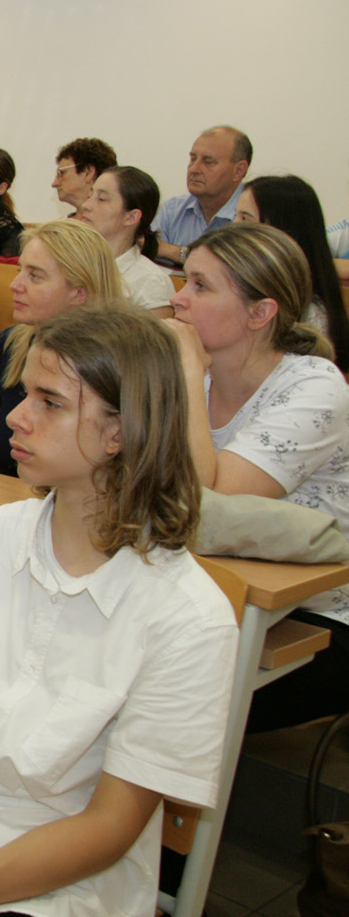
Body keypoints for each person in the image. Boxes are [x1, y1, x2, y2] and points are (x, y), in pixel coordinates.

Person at [0, 302, 238, 917]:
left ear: (121, 433)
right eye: (25, 394)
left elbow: (110, 826)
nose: (16, 415)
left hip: (60, 881)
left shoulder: (189, 617)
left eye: (50, 402)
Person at [166, 224, 349, 730]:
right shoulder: (196, 373)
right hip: (206, 590)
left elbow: (210, 504)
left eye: (201, 286)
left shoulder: (315, 387)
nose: (179, 299)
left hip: (315, 613)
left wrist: (185, 370)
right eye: (185, 280)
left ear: (260, 313)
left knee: (160, 704)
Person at [0, 220, 123, 476]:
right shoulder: (9, 345)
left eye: (35, 276)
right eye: (20, 271)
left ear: (79, 293)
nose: (15, 285)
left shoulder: (113, 364)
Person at [236, 174, 349, 369]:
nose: (232, 227)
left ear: (281, 230)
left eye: (245, 218)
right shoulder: (243, 288)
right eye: (235, 216)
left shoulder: (312, 317)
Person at [76, 166, 175, 317]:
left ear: (131, 217)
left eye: (101, 199)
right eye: (90, 195)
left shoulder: (151, 282)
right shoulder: (72, 263)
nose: (86, 205)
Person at [153, 125, 252, 252]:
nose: (194, 169)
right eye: (193, 159)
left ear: (238, 170)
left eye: (208, 162)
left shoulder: (255, 215)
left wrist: (176, 253)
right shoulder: (171, 211)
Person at [51, 137, 117, 216]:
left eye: (62, 173)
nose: (54, 184)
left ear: (87, 172)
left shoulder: (116, 221)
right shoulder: (61, 224)